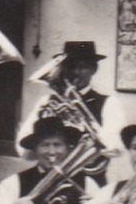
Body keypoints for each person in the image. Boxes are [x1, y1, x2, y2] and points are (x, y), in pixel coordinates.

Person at [17, 40, 125, 186]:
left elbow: (116, 148)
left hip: (89, 182)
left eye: (82, 67)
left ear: (94, 69)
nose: (76, 72)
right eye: (70, 67)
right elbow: (23, 150)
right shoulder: (46, 102)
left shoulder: (109, 103)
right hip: (49, 182)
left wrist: (86, 130)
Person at [0, 116, 98, 204]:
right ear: (35, 149)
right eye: (45, 145)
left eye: (57, 145)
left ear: (67, 148)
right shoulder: (15, 181)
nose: (52, 152)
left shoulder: (86, 183)